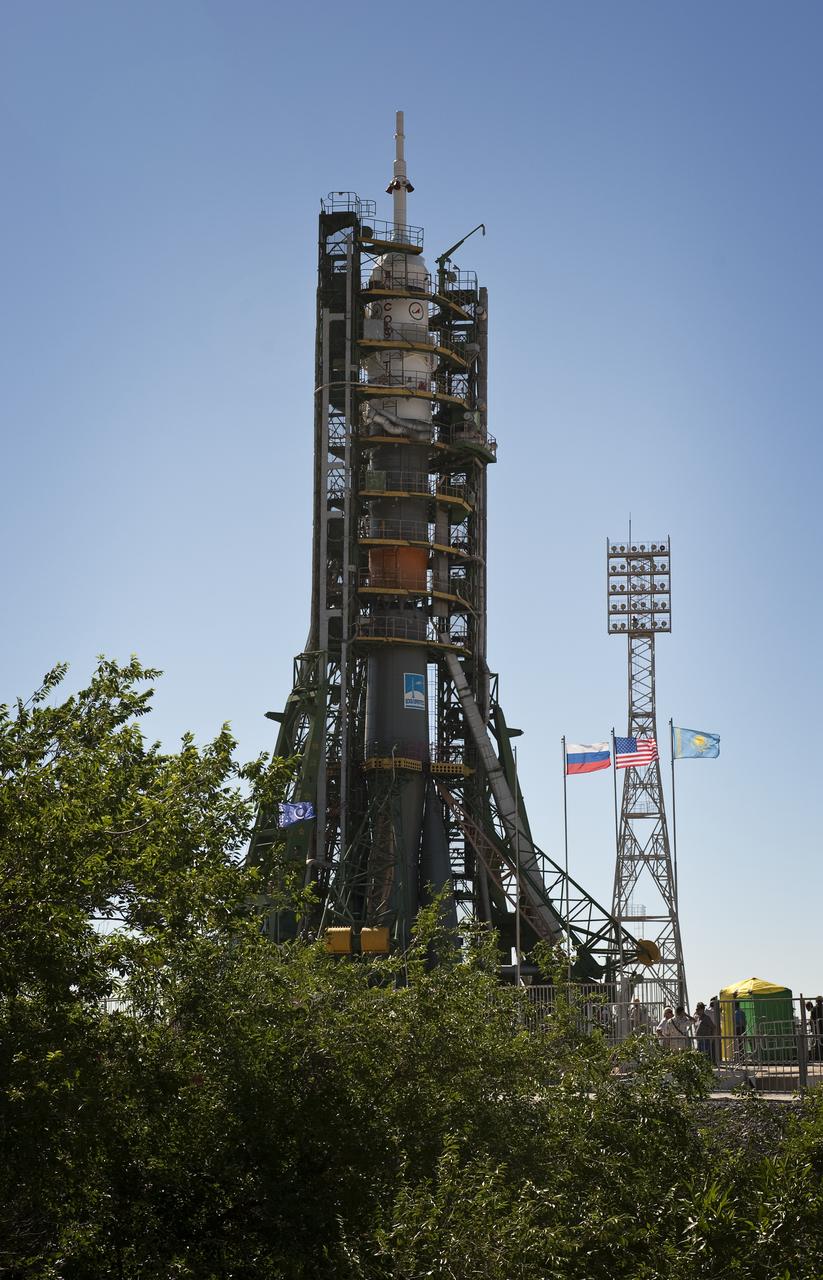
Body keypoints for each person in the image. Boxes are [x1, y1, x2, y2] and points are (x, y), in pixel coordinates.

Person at [811, 996, 823, 1063]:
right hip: (818, 1028)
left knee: (818, 1042)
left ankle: (818, 1057)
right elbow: (812, 1020)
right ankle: (818, 1057)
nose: (820, 1002)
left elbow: (812, 1020)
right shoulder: (814, 1009)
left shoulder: (814, 1009)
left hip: (817, 1028)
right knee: (818, 1042)